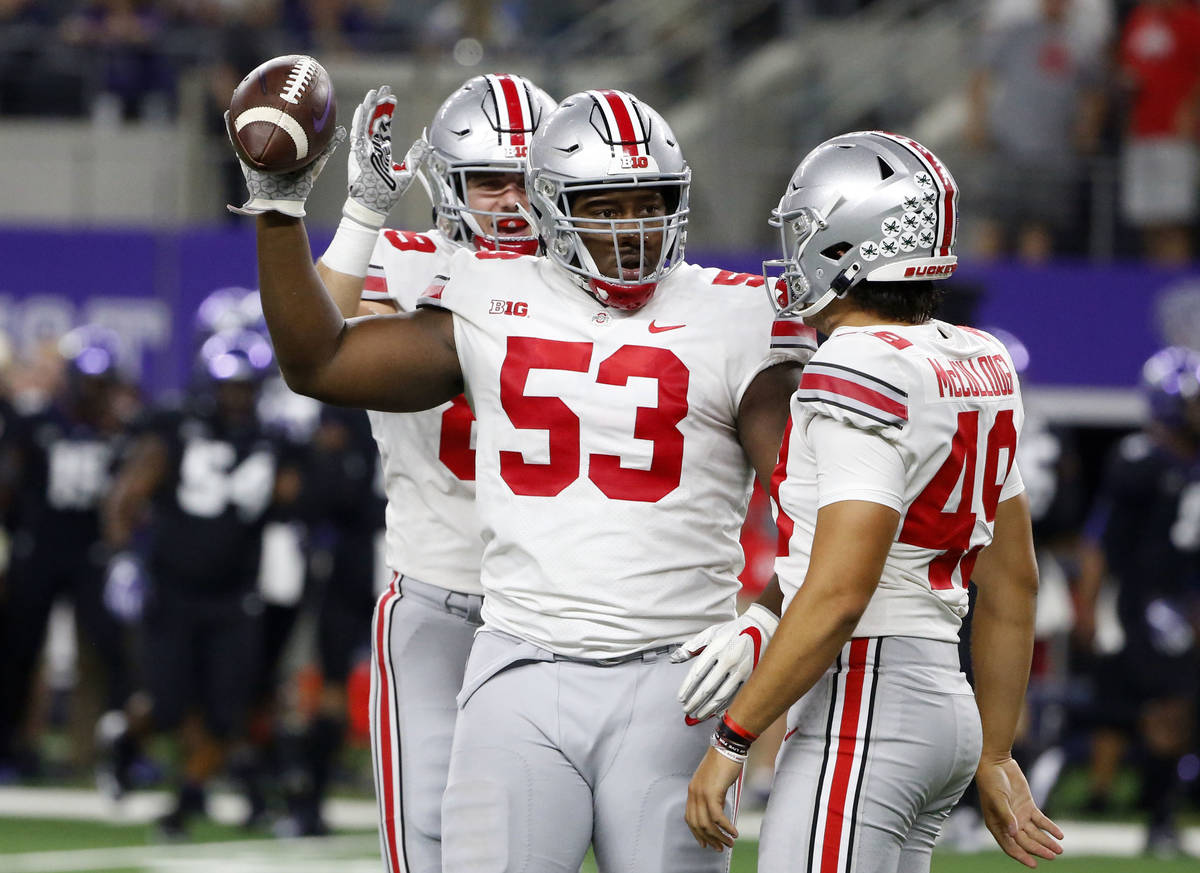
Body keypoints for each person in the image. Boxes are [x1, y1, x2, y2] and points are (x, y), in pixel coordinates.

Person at [229, 86, 815, 872]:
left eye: (654, 202)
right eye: (605, 204)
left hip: (673, 660)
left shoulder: (738, 311)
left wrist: (765, 618)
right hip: (515, 649)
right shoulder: (476, 287)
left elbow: (823, 512)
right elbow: (317, 358)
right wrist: (287, 206)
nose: (635, 227)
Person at [685, 130, 1065, 872]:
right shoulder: (980, 358)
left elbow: (839, 594)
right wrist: (991, 747)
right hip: (942, 706)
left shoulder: (855, 363)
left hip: (867, 699)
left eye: (806, 232)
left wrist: (734, 737)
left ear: (846, 244)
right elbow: (1013, 579)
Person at [313, 72, 555, 867]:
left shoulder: (598, 285)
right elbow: (311, 344)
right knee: (426, 845)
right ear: (448, 181)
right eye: (490, 178)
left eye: (528, 177)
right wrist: (360, 215)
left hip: (567, 609)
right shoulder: (408, 261)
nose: (512, 199)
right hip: (441, 592)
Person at [100, 325, 303, 836]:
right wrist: (123, 558)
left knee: (225, 710)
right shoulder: (174, 430)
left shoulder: (273, 439)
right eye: (227, 388)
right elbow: (127, 496)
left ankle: (184, 803)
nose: (236, 399)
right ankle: (126, 739)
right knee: (167, 705)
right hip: (173, 588)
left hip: (236, 595)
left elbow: (293, 498)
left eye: (245, 388)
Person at [1072, 346, 1200, 858]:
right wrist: (1090, 602)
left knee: (1176, 707)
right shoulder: (1140, 459)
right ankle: (1161, 814)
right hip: (1146, 600)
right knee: (1164, 707)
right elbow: (1099, 542)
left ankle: (1161, 808)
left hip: (1183, 597)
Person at [0, 326, 134, 781]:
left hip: (92, 555)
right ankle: (11, 747)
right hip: (39, 551)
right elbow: (10, 485)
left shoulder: (123, 429)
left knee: (110, 652)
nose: (94, 391)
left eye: (102, 381)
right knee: (18, 653)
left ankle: (114, 752)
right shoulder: (35, 422)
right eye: (87, 379)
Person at [1116, 0, 1200, 265]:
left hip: (1174, 137)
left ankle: (1173, 284)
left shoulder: (1192, 21)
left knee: (1173, 219)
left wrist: (1191, 111)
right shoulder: (1139, 20)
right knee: (1147, 219)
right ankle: (1152, 284)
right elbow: (1126, 63)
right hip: (1141, 133)